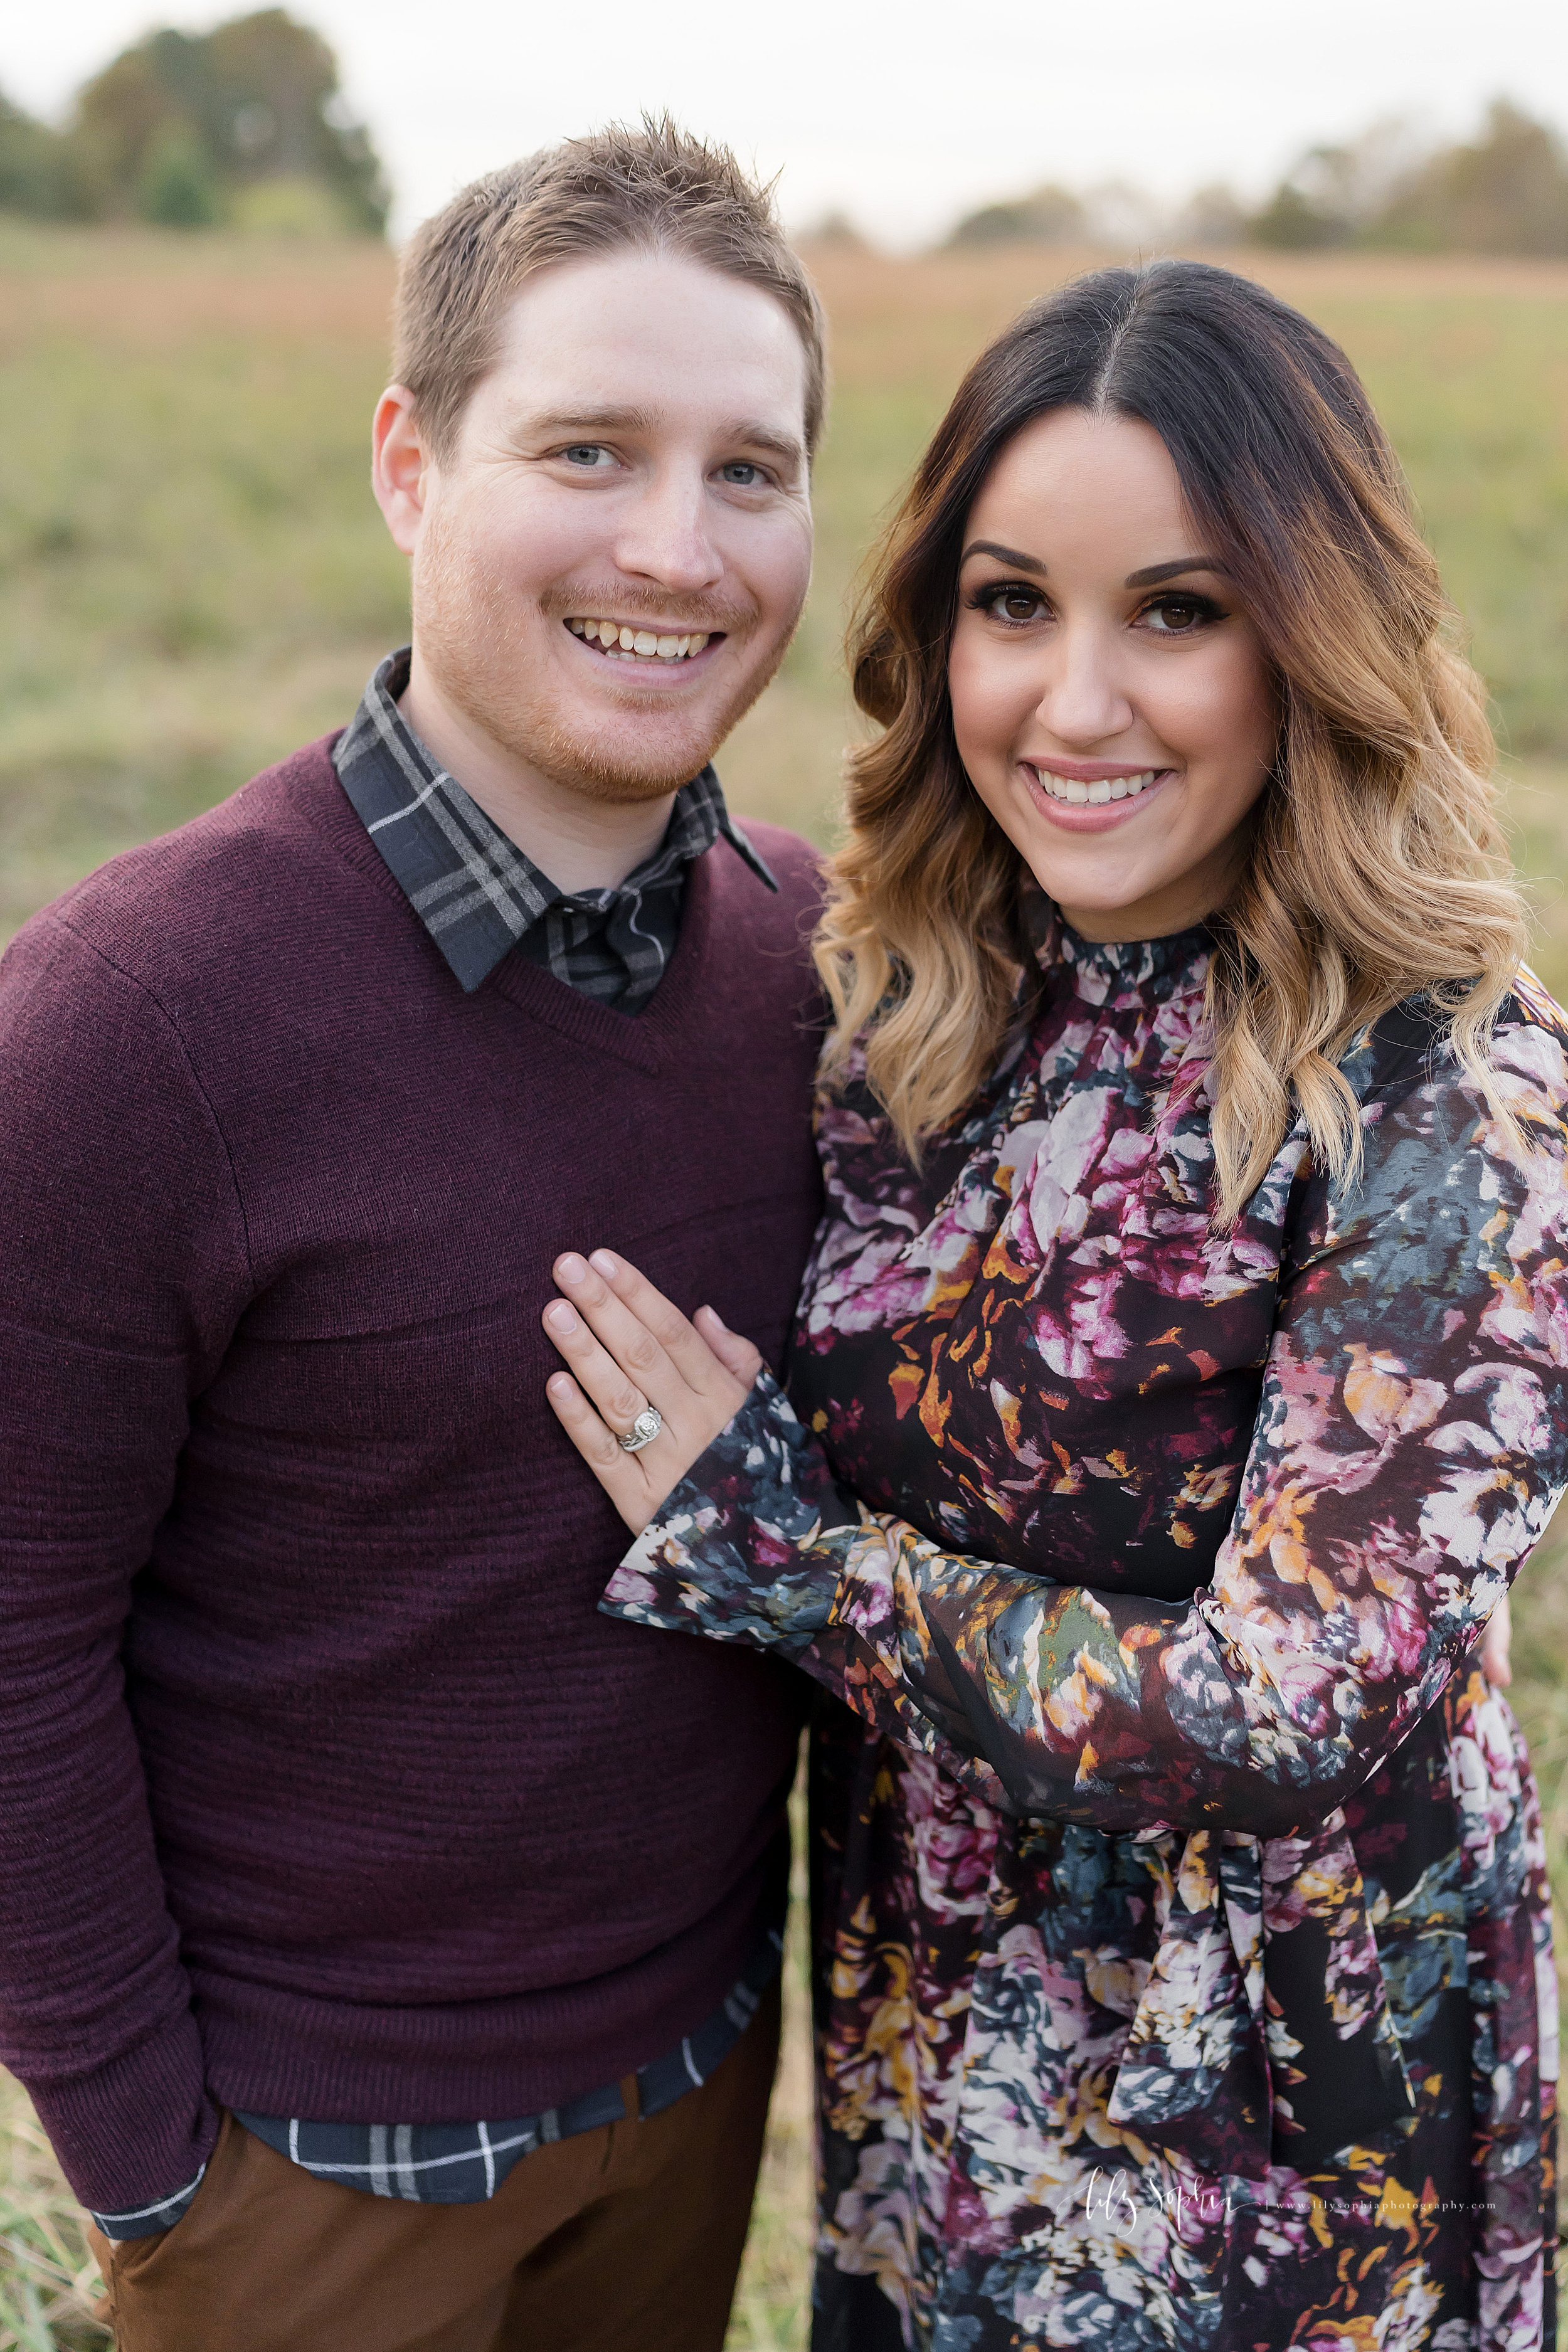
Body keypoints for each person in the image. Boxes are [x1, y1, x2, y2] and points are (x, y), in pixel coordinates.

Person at [542, 260, 1568, 2349]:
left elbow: (1280, 1708)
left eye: (1173, 612)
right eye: (1012, 605)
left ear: (1314, 635)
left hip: (1275, 2129)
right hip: (943, 2051)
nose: (1071, 702)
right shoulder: (925, 1004)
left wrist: (778, 1558)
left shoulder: (1449, 1090)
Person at [0, 120, 827, 2352]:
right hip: (302, 2176)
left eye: (748, 470)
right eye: (589, 448)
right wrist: (155, 2167)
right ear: (408, 462)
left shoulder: (825, 975)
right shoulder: (127, 1022)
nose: (678, 546)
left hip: (694, 2083)